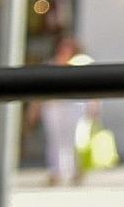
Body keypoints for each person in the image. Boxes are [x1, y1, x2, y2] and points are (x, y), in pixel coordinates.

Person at [31, 35, 94, 186]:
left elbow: (91, 87)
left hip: (74, 107)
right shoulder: (50, 65)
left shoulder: (80, 64)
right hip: (54, 108)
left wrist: (93, 106)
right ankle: (56, 172)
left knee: (76, 139)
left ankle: (76, 170)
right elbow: (40, 90)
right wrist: (35, 109)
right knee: (55, 139)